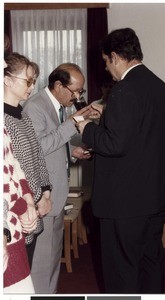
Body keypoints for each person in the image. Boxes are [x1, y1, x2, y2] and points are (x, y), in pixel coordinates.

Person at [76, 27, 165, 294]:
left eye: (105, 62)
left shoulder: (123, 89)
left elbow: (115, 144)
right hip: (154, 197)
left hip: (125, 203)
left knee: (122, 272)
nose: (107, 68)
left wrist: (86, 128)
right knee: (150, 263)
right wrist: (109, 114)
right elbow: (142, 135)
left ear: (115, 56)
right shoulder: (158, 85)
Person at [23, 63, 93, 293]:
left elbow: (53, 142)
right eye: (75, 91)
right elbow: (38, 147)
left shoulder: (56, 105)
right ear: (58, 85)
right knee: (42, 264)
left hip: (57, 194)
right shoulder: (35, 107)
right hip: (44, 196)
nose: (78, 96)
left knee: (53, 259)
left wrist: (72, 152)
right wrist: (72, 123)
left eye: (80, 91)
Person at [4, 52, 52, 269]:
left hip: (34, 205)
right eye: (28, 80)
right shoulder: (4, 119)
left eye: (34, 80)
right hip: (18, 210)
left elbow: (37, 157)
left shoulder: (22, 114)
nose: (32, 86)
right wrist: (35, 199)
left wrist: (45, 192)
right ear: (7, 79)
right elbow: (14, 168)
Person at [3, 127, 38, 293]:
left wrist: (28, 197)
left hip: (13, 228)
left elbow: (13, 161)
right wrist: (23, 208)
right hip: (7, 231)